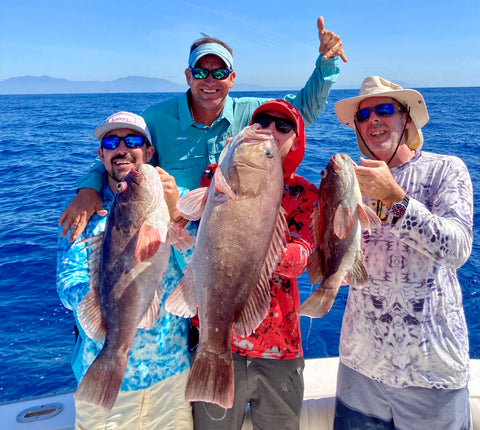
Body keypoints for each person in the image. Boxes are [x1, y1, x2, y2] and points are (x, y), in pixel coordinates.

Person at [58, 16, 347, 241]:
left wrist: (327, 62)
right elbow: (121, 153)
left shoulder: (255, 116)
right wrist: (88, 188)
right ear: (188, 76)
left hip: (232, 239)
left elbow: (301, 112)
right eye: (200, 72)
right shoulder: (156, 119)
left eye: (220, 73)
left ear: (232, 78)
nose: (210, 81)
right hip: (177, 241)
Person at [332, 76, 473, 429]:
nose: (373, 120)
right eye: (363, 116)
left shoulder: (446, 169)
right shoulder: (350, 181)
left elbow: (457, 249)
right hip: (359, 368)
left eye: (384, 109)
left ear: (406, 119)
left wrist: (397, 201)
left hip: (432, 373)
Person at [56, 112, 194, 429]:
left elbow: (199, 267)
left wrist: (178, 217)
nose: (121, 149)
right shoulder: (82, 212)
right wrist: (102, 295)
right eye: (110, 142)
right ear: (100, 154)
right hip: (106, 376)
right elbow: (68, 283)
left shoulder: (179, 200)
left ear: (149, 152)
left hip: (170, 376)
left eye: (132, 141)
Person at [192, 100, 318, 429]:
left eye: (283, 127)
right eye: (262, 122)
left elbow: (300, 259)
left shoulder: (307, 194)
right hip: (218, 342)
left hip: (281, 349)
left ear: (295, 140)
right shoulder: (215, 176)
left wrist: (257, 243)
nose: (270, 132)